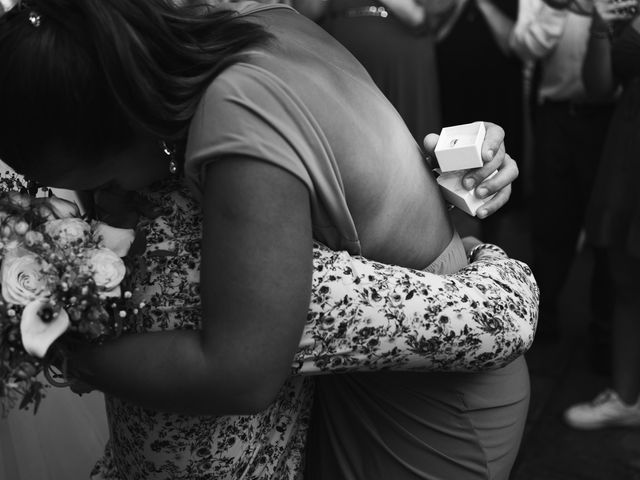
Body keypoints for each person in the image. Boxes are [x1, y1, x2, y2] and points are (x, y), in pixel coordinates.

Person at [0, 1, 536, 479]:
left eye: (101, 183)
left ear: (122, 109)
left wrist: (69, 353)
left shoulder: (233, 122)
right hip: (400, 356)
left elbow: (242, 372)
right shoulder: (239, 24)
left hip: (429, 403)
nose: (103, 201)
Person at [510, 0, 614, 352]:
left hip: (612, 121)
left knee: (608, 229)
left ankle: (605, 333)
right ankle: (541, 321)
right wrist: (554, 10)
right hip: (556, 118)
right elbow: (522, 47)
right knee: (552, 222)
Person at [563, 0, 640, 429]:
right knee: (626, 278)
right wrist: (597, 27)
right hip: (630, 142)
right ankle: (627, 398)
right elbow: (599, 87)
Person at [294, 0, 456, 144]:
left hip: (400, 61)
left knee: (407, 138)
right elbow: (305, 12)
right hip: (339, 54)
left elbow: (428, 14)